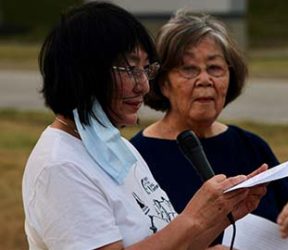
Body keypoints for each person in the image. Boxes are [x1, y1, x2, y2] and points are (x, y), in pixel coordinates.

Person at [21, 2, 268, 249]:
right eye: (130, 69)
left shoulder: (119, 148)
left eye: (145, 69)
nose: (144, 86)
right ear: (85, 72)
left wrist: (221, 215)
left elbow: (165, 240)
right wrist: (196, 218)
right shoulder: (59, 167)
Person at [130, 10, 288, 248]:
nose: (205, 79)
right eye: (189, 69)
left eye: (215, 68)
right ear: (163, 82)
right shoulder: (136, 158)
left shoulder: (252, 147)